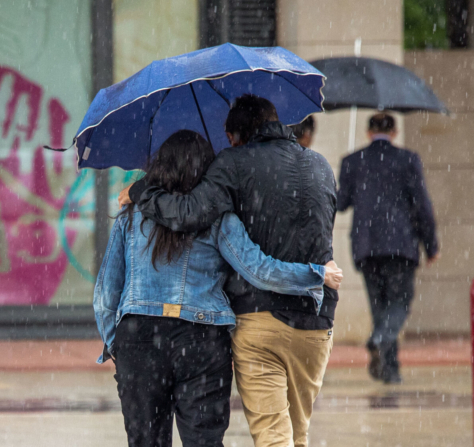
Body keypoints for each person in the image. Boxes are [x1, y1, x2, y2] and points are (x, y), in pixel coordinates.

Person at [97, 130, 343, 447]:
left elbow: (106, 294)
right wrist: (315, 274)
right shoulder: (219, 219)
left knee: (145, 442)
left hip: (140, 338)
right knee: (204, 442)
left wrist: (116, 344)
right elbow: (259, 269)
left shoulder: (130, 217)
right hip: (202, 339)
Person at [337, 113, 439, 384]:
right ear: (393, 132)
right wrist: (431, 245)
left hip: (367, 245)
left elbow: (340, 202)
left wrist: (347, 175)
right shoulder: (407, 160)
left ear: (369, 132)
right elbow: (422, 206)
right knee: (400, 303)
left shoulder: (353, 161)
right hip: (401, 244)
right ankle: (381, 341)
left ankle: (390, 370)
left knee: (379, 307)